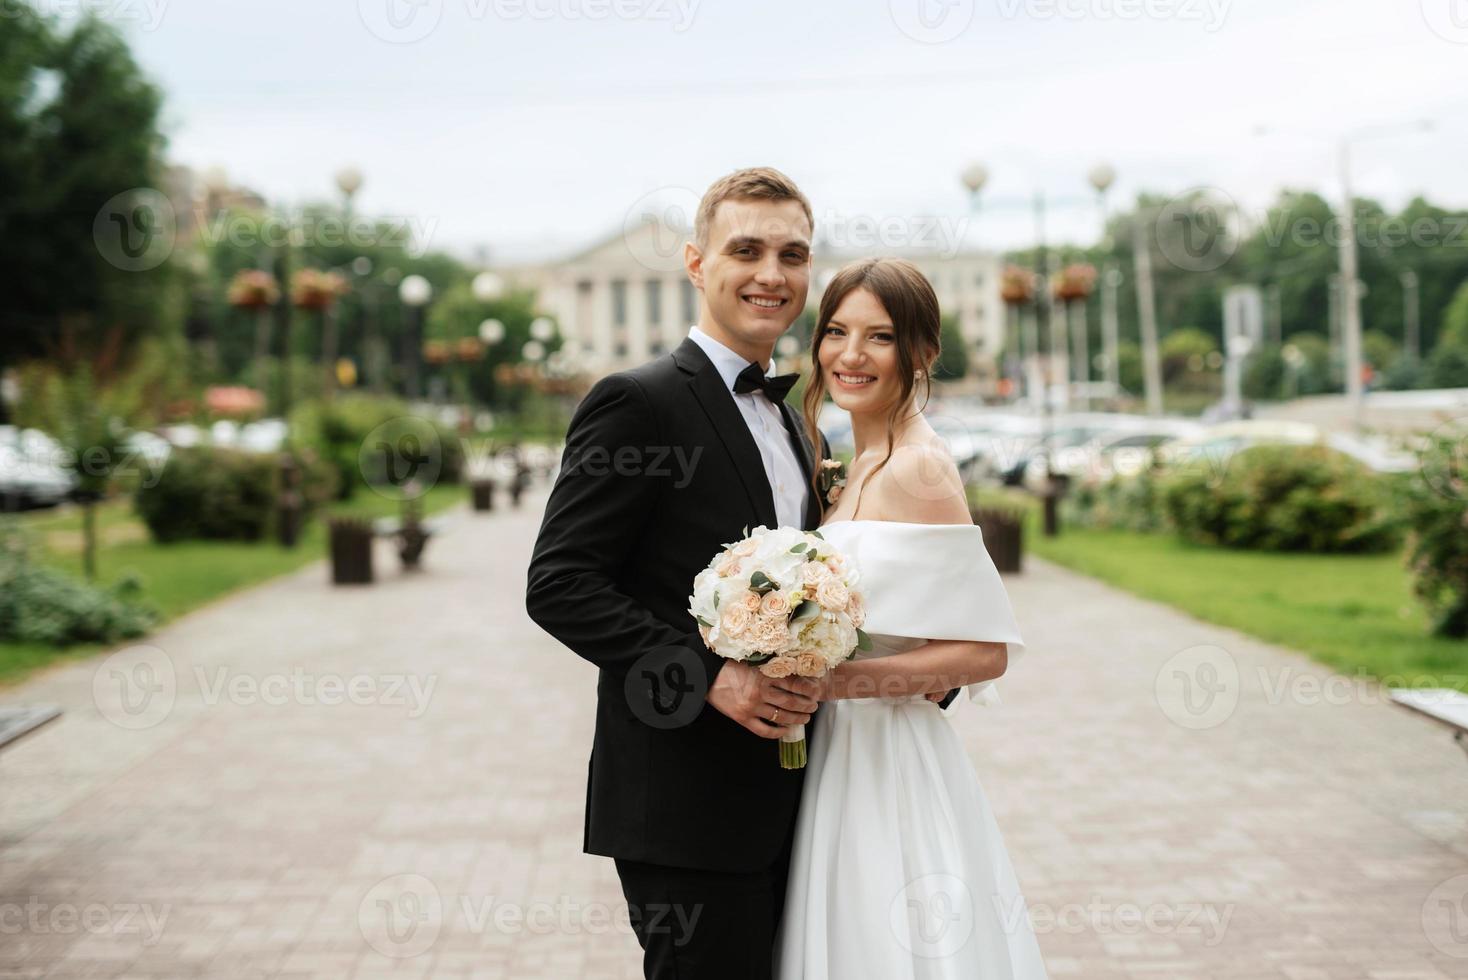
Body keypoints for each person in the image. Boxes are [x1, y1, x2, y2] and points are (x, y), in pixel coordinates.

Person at [526, 167, 830, 979]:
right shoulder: (637, 402)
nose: (773, 274)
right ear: (697, 263)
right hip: (684, 805)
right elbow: (560, 583)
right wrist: (709, 678)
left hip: (796, 797)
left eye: (793, 254)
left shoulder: (796, 423)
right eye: (748, 250)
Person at [776, 257, 1050, 979]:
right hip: (832, 754)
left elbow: (983, 653)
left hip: (887, 760)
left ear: (922, 352)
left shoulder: (920, 469)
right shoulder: (848, 462)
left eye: (880, 337)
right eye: (836, 332)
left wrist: (831, 683)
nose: (851, 355)